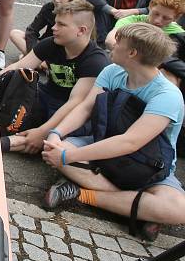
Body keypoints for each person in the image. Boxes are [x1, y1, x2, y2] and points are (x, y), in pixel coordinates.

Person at [41, 23, 185, 240]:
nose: (111, 46)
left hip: (147, 166)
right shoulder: (113, 71)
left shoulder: (167, 96)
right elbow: (86, 107)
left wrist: (68, 156)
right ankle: (135, 206)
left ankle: (84, 195)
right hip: (102, 148)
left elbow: (129, 143)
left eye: (118, 43)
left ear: (132, 53)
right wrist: (56, 134)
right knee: (55, 148)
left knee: (177, 209)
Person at [0, 1, 110, 154]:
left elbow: (75, 103)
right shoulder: (53, 43)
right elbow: (17, 67)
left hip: (70, 114)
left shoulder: (95, 61)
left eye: (61, 24)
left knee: (50, 144)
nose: (53, 27)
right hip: (44, 98)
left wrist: (43, 131)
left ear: (81, 30)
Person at [9, 0, 83, 56]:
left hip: (64, 48)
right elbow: (32, 30)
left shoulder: (79, 13)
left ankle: (34, 60)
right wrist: (33, 51)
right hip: (46, 44)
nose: (57, 0)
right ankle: (35, 59)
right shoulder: (48, 8)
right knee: (15, 34)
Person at [105, 0, 185, 50]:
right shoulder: (130, 21)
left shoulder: (178, 34)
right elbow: (110, 41)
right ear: (150, 6)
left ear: (176, 18)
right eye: (156, 13)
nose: (158, 20)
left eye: (166, 18)